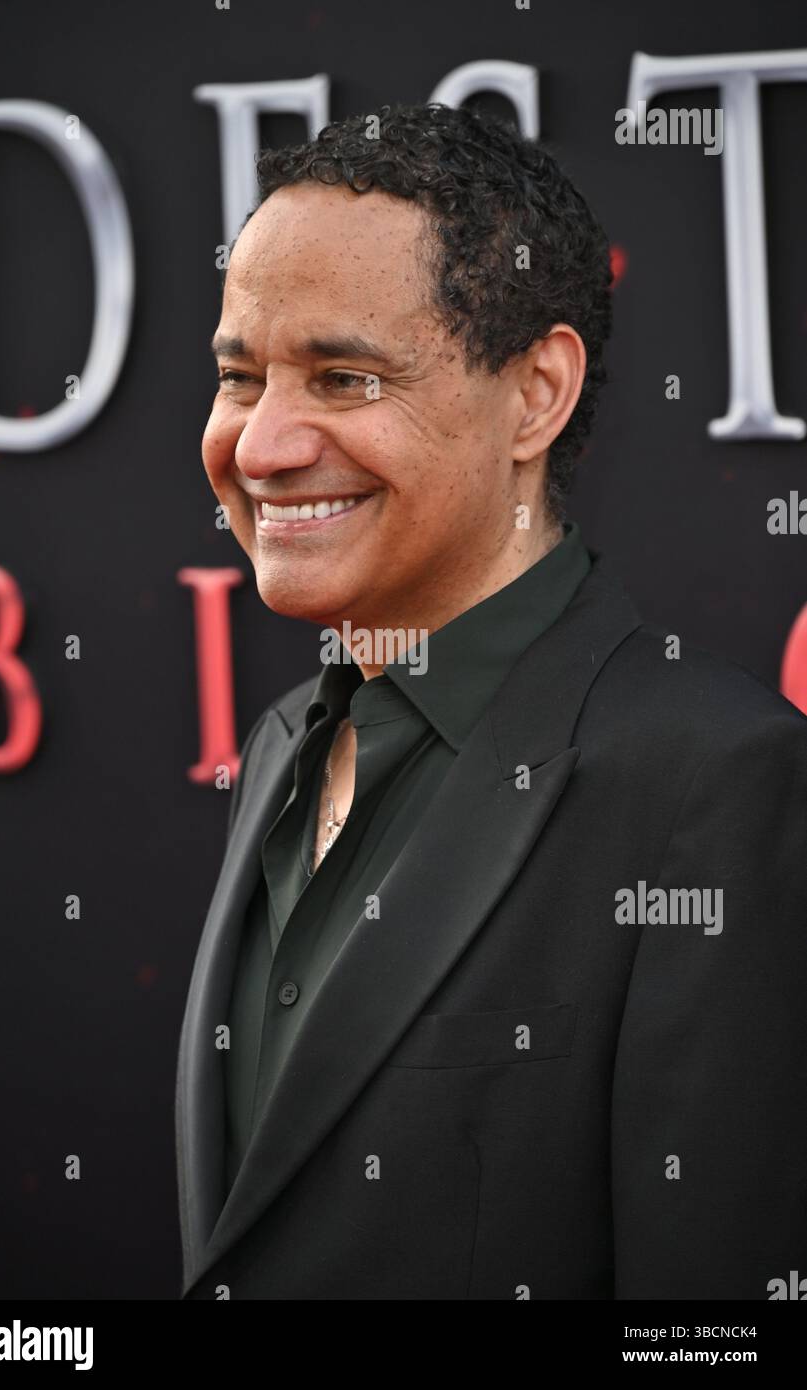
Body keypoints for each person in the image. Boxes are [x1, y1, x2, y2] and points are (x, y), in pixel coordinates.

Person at [175, 102, 807, 1300]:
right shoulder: (280, 751)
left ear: (535, 395)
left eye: (343, 376)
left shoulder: (718, 784)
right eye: (238, 377)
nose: (258, 446)